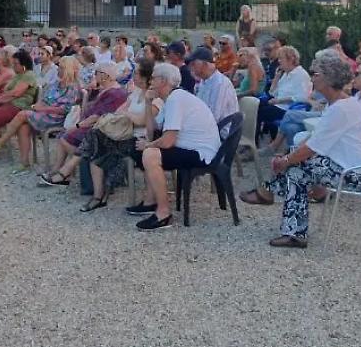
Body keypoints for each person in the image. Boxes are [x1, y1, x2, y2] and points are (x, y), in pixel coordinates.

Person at [240, 53, 361, 248]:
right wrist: (287, 159)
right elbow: (314, 140)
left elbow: (312, 148)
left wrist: (284, 161)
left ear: (329, 78)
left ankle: (269, 194)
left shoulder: (341, 109)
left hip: (352, 173)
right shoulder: (338, 104)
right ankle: (293, 232)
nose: (312, 78)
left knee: (296, 165)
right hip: (344, 164)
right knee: (296, 169)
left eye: (316, 74)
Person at [41, 59, 162, 212]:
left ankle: (74, 178)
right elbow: (118, 112)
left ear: (145, 77)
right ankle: (97, 195)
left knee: (94, 140)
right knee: (95, 145)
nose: (133, 76)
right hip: (123, 135)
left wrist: (126, 114)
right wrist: (125, 114)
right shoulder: (136, 93)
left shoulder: (155, 99)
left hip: (139, 139)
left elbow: (141, 120)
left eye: (136, 73)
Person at [129, 62, 222, 231]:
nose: (150, 81)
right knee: (147, 150)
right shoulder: (172, 98)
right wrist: (149, 104)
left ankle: (163, 213)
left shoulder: (176, 99)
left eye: (154, 78)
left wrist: (148, 145)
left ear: (163, 81)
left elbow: (167, 141)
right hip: (193, 148)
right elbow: (153, 131)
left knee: (150, 154)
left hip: (200, 152)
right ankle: (151, 201)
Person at [0, 56, 82, 173]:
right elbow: (43, 99)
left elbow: (64, 110)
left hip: (56, 118)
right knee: (23, 126)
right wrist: (37, 107)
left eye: (61, 68)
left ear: (68, 70)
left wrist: (42, 109)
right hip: (44, 114)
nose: (58, 69)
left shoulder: (73, 88)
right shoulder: (56, 84)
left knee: (22, 115)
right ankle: (24, 163)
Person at [42, 63, 129, 181]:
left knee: (65, 138)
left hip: (100, 128)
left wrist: (78, 125)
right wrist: (86, 96)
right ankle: (59, 169)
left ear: (105, 76)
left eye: (96, 73)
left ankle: (79, 165)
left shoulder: (114, 93)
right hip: (93, 125)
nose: (94, 75)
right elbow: (88, 111)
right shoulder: (105, 90)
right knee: (62, 136)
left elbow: (98, 116)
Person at [257, 45, 310, 137]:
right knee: (257, 104)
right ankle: (264, 139)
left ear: (291, 59)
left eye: (281, 58)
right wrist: (276, 79)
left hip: (289, 109)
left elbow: (302, 97)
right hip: (278, 105)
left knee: (259, 112)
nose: (279, 61)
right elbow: (272, 93)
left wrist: (278, 101)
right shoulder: (286, 74)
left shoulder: (301, 75)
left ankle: (255, 141)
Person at [187, 46, 239, 124]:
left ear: (205, 64)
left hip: (220, 131)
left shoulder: (220, 83)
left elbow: (214, 117)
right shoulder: (203, 81)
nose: (190, 67)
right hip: (205, 126)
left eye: (193, 64)